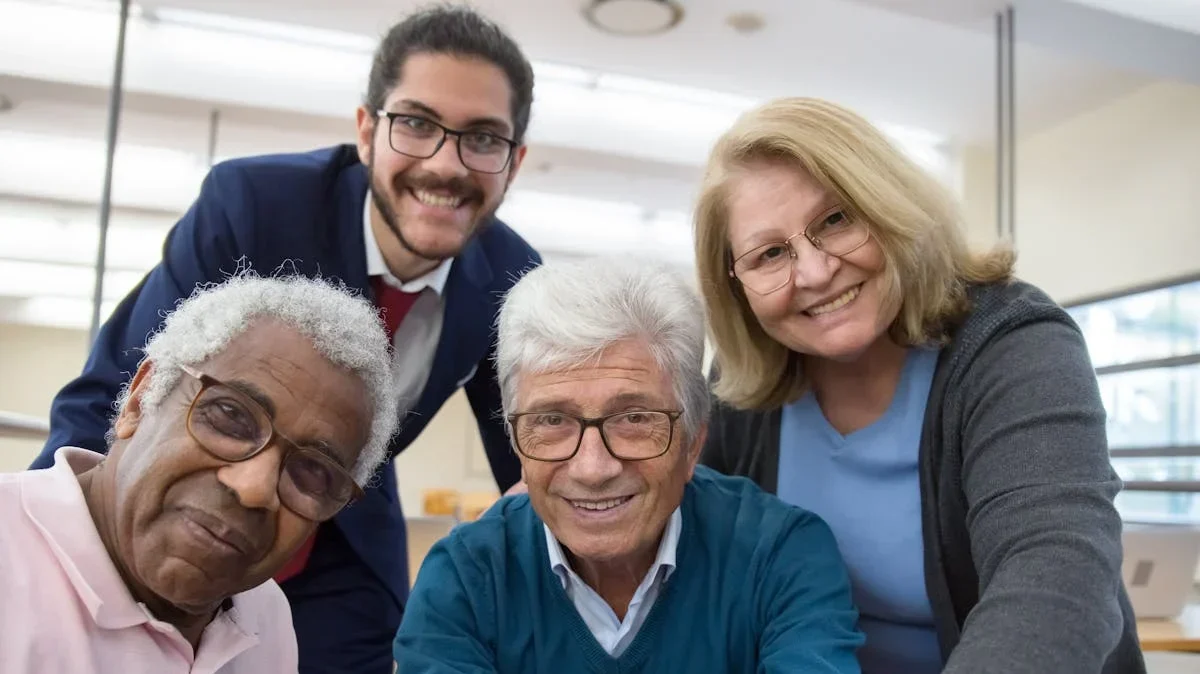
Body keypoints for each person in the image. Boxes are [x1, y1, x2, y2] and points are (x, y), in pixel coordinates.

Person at [30, 6, 540, 672]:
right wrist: (48, 563)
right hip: (200, 494)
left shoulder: (512, 281)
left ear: (514, 162)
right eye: (416, 124)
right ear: (368, 132)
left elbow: (532, 459)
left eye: (483, 138)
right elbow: (125, 384)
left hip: (337, 526)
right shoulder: (256, 204)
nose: (446, 164)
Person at [692, 97, 1145, 673]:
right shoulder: (739, 388)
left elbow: (1056, 574)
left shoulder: (1013, 344)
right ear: (736, 285)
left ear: (888, 207)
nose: (814, 272)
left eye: (836, 220)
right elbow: (686, 566)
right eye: (770, 254)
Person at [393, 258, 864, 673]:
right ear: (517, 444)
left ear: (694, 442)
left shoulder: (781, 555)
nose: (593, 468)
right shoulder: (465, 578)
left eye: (635, 418)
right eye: (552, 420)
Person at [0, 274, 400, 673]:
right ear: (141, 399)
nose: (254, 488)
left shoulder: (264, 616)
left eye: (312, 471)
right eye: (231, 416)